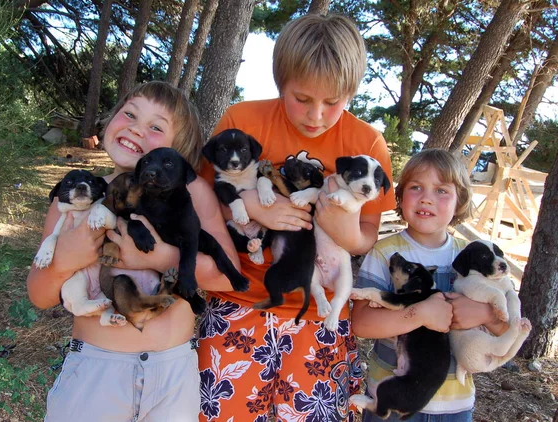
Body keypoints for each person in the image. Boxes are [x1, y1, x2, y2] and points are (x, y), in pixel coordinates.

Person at [197, 14, 396, 421]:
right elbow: (204, 200)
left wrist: (347, 234)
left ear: (352, 93)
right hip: (241, 302)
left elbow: (368, 232)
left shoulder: (367, 143)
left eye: (333, 102)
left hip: (321, 313)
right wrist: (250, 206)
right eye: (302, 98)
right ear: (280, 82)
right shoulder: (242, 121)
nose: (317, 115)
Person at [27, 81, 241, 422]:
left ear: (178, 148)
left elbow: (226, 278)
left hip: (172, 376)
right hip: (96, 372)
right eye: (129, 114)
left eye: (156, 127)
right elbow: (39, 295)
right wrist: (64, 259)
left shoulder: (193, 192)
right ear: (110, 120)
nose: (136, 129)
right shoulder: (77, 197)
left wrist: (158, 258)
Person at [352, 148, 510, 421]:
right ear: (399, 197)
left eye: (441, 190)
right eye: (416, 187)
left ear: (459, 200)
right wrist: (420, 314)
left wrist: (485, 314)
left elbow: (506, 329)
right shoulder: (385, 252)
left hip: (455, 404)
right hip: (389, 400)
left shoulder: (475, 257)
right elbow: (361, 324)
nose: (427, 198)